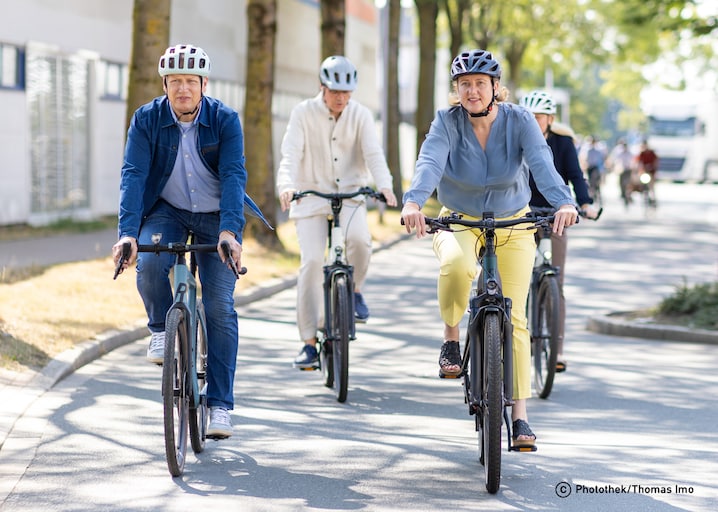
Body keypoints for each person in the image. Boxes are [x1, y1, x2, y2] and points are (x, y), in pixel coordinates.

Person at [400, 49, 578, 448]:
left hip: (512, 222)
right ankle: (450, 336)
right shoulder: (446, 122)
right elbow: (429, 162)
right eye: (465, 84)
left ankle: (520, 417)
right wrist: (413, 201)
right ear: (456, 90)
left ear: (496, 87)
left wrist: (563, 200)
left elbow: (541, 163)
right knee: (457, 265)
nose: (473, 90)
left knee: (515, 318)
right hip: (459, 219)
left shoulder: (519, 121)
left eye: (480, 83)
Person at [112, 44, 269, 439]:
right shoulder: (146, 119)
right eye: (175, 81)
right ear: (165, 84)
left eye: (190, 82)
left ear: (204, 84)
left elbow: (234, 176)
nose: (183, 89)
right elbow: (133, 174)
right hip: (168, 209)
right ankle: (161, 329)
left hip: (217, 216)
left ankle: (219, 406)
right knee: (148, 263)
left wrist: (230, 233)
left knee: (218, 305)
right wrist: (127, 233)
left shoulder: (225, 120)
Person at [276, 55, 398, 369]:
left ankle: (354, 291)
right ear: (322, 87)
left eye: (347, 93)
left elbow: (373, 153)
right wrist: (286, 185)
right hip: (311, 196)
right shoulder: (303, 113)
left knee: (359, 241)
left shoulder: (361, 115)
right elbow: (290, 154)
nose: (341, 98)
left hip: (351, 195)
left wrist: (385, 186)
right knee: (313, 261)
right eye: (335, 92)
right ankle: (308, 343)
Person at [520, 90, 599, 373]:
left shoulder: (563, 143)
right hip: (522, 215)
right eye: (529, 117)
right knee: (517, 277)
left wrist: (586, 203)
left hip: (556, 214)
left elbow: (575, 175)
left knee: (556, 277)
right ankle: (518, 335)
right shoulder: (517, 140)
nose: (534, 122)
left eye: (539, 117)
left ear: (550, 119)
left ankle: (558, 349)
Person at [607, 139, 637, 206]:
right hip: (621, 170)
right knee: (621, 183)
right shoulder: (619, 152)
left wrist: (633, 166)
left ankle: (629, 195)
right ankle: (623, 194)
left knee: (629, 183)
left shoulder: (630, 152)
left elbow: (634, 160)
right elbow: (615, 160)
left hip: (628, 170)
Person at [635, 139, 659, 206]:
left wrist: (654, 167)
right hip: (643, 172)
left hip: (651, 172)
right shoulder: (641, 154)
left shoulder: (652, 153)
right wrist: (638, 168)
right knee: (639, 182)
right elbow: (638, 162)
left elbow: (656, 161)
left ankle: (653, 198)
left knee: (652, 186)